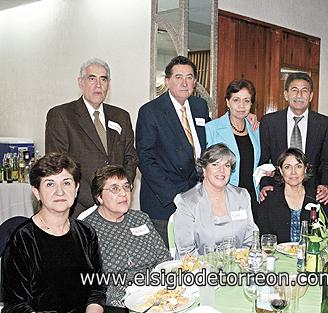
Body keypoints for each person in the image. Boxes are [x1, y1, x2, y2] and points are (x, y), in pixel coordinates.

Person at [1, 153, 106, 313]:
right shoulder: (23, 239)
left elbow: (97, 289)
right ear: (37, 192)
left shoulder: (86, 233)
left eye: (66, 183)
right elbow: (15, 305)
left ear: (76, 188)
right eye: (50, 184)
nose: (60, 192)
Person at [45, 58, 138, 217]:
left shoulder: (121, 116)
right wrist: (98, 199)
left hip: (116, 208)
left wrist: (117, 193)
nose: (98, 85)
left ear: (109, 84)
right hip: (79, 208)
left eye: (103, 79)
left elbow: (130, 158)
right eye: (92, 78)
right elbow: (59, 167)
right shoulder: (61, 115)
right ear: (81, 83)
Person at [136, 56, 211, 247]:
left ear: (195, 82)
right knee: (165, 263)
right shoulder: (150, 111)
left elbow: (208, 144)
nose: (184, 83)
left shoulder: (200, 107)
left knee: (193, 258)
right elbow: (145, 159)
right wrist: (175, 196)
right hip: (164, 201)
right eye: (178, 77)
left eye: (189, 77)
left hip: (196, 197)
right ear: (167, 80)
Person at [83, 165, 172, 312]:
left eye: (126, 187)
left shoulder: (140, 218)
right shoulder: (87, 229)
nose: (123, 193)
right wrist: (131, 297)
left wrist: (158, 289)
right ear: (99, 196)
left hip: (157, 294)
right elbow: (92, 283)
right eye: (114, 189)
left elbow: (164, 258)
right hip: (117, 304)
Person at [259, 72, 328, 210]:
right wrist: (264, 184)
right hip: (277, 192)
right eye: (294, 90)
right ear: (286, 94)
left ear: (311, 96)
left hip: (313, 193)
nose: (299, 95)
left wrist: (325, 185)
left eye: (304, 91)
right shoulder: (269, 122)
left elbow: (327, 161)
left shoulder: (324, 123)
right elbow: (263, 160)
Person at [173, 143, 258, 257]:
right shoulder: (187, 201)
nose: (222, 170)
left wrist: (240, 261)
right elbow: (186, 251)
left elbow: (250, 236)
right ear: (204, 169)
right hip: (200, 269)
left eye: (227, 166)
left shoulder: (241, 196)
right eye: (215, 164)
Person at [205, 79, 261, 222]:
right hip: (222, 198)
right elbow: (205, 166)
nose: (241, 106)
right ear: (228, 102)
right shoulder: (212, 129)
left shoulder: (256, 129)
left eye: (246, 101)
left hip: (251, 198)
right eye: (236, 100)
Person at [258, 148, 319, 243]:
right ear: (281, 171)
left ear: (305, 169)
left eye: (298, 166)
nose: (293, 172)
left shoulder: (318, 198)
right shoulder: (269, 199)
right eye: (287, 167)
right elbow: (264, 237)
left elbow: (326, 234)